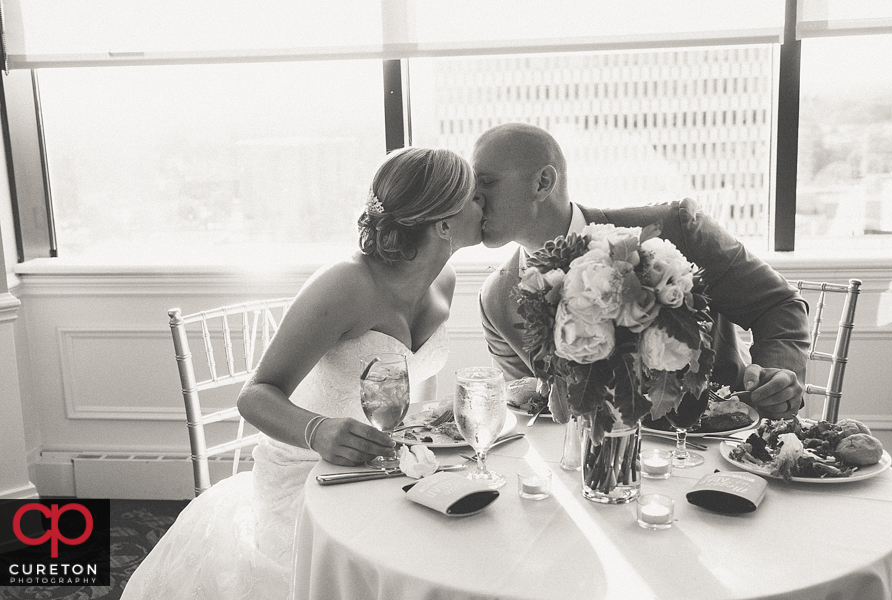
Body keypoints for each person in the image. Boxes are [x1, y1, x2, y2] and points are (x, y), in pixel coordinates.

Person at [121, 147, 483, 600]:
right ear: (444, 224)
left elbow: (412, 384)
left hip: (386, 464)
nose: (484, 206)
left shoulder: (444, 278)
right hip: (308, 474)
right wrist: (318, 432)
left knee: (463, 537)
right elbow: (254, 395)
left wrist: (430, 424)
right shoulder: (345, 285)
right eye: (475, 198)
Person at [474, 122, 810, 420]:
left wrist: (775, 374)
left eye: (486, 183)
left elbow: (778, 305)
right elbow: (531, 413)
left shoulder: (674, 230)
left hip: (711, 444)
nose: (473, 198)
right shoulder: (495, 300)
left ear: (542, 182)